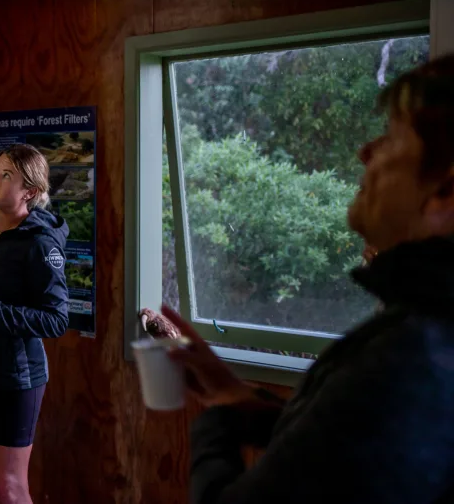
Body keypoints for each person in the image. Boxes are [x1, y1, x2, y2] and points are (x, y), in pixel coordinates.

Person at [141, 54, 454, 504]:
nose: (365, 151)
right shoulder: (422, 332)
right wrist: (246, 399)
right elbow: (358, 445)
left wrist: (217, 422)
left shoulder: (415, 355)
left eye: (390, 137)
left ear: (444, 189)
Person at [0, 143, 70, 504]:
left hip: (17, 377)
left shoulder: (40, 243)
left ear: (30, 192)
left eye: (7, 176)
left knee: (10, 486)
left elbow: (56, 319)